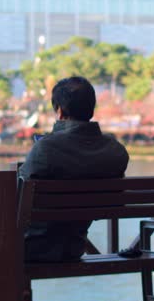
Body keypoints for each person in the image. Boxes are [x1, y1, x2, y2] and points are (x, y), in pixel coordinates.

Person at [18, 76, 130, 262]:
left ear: (59, 111)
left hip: (28, 247)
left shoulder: (45, 148)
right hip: (75, 247)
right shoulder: (116, 151)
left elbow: (15, 195)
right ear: (91, 110)